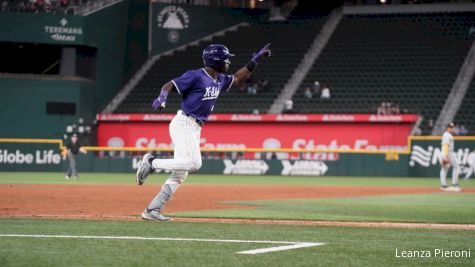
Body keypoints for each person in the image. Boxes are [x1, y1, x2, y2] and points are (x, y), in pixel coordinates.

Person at [135, 43, 272, 221]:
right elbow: (169, 85)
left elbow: (238, 78)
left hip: (195, 127)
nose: (229, 61)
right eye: (226, 58)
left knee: (180, 173)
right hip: (184, 122)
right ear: (216, 60)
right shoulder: (196, 76)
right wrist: (162, 97)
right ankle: (151, 162)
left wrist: (255, 60)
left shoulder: (219, 79)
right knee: (194, 163)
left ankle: (152, 210)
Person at [439, 122, 461, 192]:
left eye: (452, 127)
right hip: (448, 152)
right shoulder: (447, 135)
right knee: (456, 167)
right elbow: (446, 145)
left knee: (444, 168)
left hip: (445, 152)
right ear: (447, 128)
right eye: (450, 127)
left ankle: (443, 185)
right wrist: (445, 156)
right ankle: (454, 184)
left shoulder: (447, 135)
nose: (451, 128)